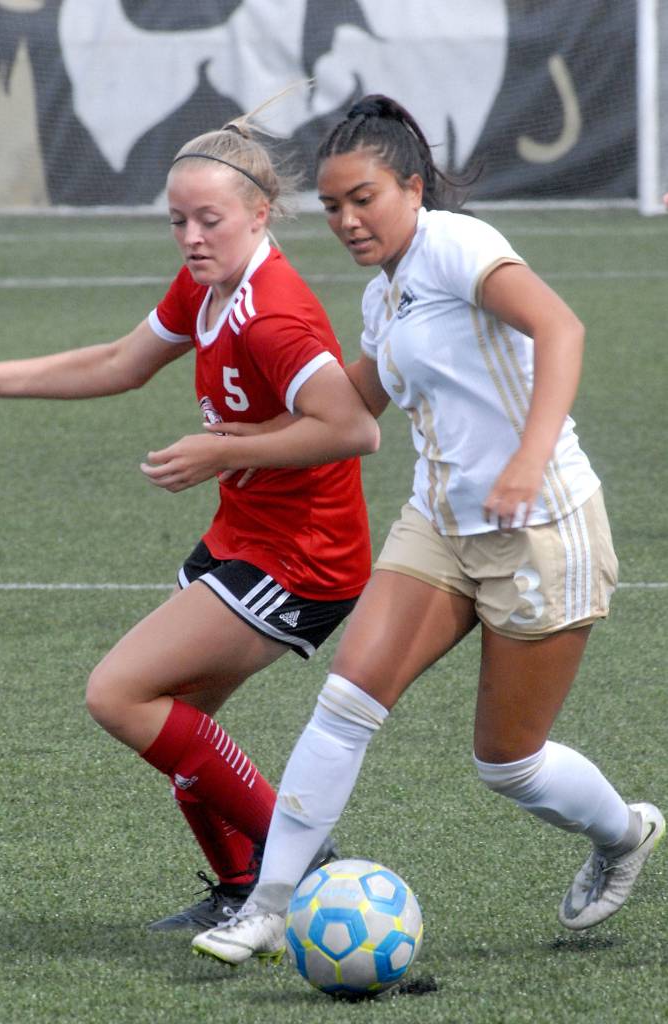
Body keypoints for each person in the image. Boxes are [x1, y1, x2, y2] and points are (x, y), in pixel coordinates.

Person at [191, 94, 665, 965]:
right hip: (440, 523)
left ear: (412, 187)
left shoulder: (457, 243)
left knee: (508, 762)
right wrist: (245, 441)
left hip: (542, 529)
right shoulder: (387, 294)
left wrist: (527, 459)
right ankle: (266, 907)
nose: (346, 219)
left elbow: (560, 327)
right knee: (345, 704)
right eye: (333, 205)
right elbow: (358, 401)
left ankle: (624, 832)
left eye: (363, 197)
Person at [0, 105, 380, 931]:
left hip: (305, 557)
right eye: (178, 221)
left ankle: (301, 868)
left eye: (210, 220)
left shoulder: (272, 314)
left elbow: (353, 428)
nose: (192, 237)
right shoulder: (209, 283)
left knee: (119, 694)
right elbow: (120, 363)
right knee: (173, 711)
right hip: (248, 536)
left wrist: (216, 451)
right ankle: (240, 884)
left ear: (259, 215)